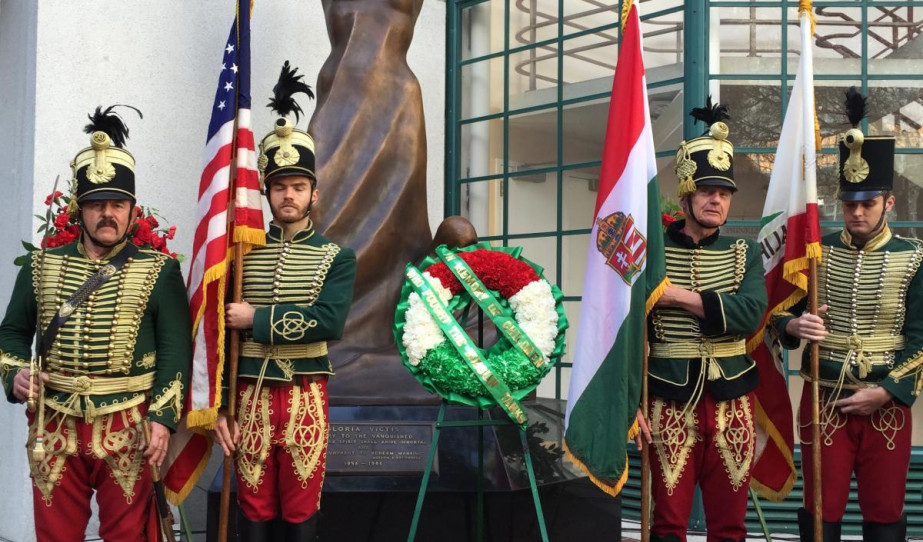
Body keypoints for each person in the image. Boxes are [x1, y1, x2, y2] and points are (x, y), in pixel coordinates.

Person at [0, 106, 191, 541]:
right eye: (97, 204)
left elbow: (176, 349)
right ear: (77, 208)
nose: (109, 214)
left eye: (118, 204)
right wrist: (15, 374)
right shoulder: (40, 265)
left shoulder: (160, 271)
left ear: (132, 209)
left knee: (127, 536)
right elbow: (11, 334)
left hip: (129, 425)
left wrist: (162, 417)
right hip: (54, 424)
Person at [212, 62, 357, 542]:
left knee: (300, 509)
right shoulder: (240, 252)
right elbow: (215, 332)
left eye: (298, 187)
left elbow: (330, 321)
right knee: (252, 508)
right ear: (267, 193)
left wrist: (256, 317)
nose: (288, 195)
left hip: (305, 392)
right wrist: (220, 404)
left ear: (314, 193)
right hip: (249, 391)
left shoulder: (336, 256)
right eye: (279, 187)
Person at [774, 88, 921, 542]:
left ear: (888, 203)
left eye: (868, 204)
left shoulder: (915, 258)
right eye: (849, 204)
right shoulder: (814, 255)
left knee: (884, 512)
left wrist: (888, 391)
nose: (856, 213)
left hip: (887, 407)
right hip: (823, 401)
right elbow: (779, 313)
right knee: (821, 512)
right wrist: (794, 325)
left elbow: (921, 338)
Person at [637, 99, 768, 542]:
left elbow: (751, 315)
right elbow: (628, 328)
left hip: (733, 398)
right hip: (668, 395)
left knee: (729, 524)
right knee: (668, 523)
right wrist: (630, 402)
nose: (717, 200)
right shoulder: (651, 251)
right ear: (687, 193)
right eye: (708, 190)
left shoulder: (743, 252)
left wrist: (679, 297)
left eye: (725, 193)